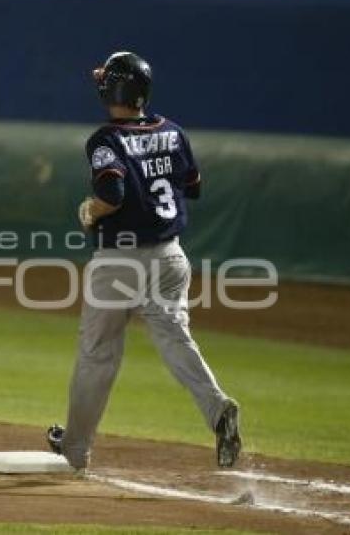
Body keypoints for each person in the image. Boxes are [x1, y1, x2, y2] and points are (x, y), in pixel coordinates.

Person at [47, 51, 241, 472]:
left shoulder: (105, 139)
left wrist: (90, 211)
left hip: (120, 260)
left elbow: (111, 195)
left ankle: (76, 450)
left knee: (97, 353)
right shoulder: (173, 131)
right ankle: (218, 409)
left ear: (111, 89)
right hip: (171, 257)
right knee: (175, 339)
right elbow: (194, 187)